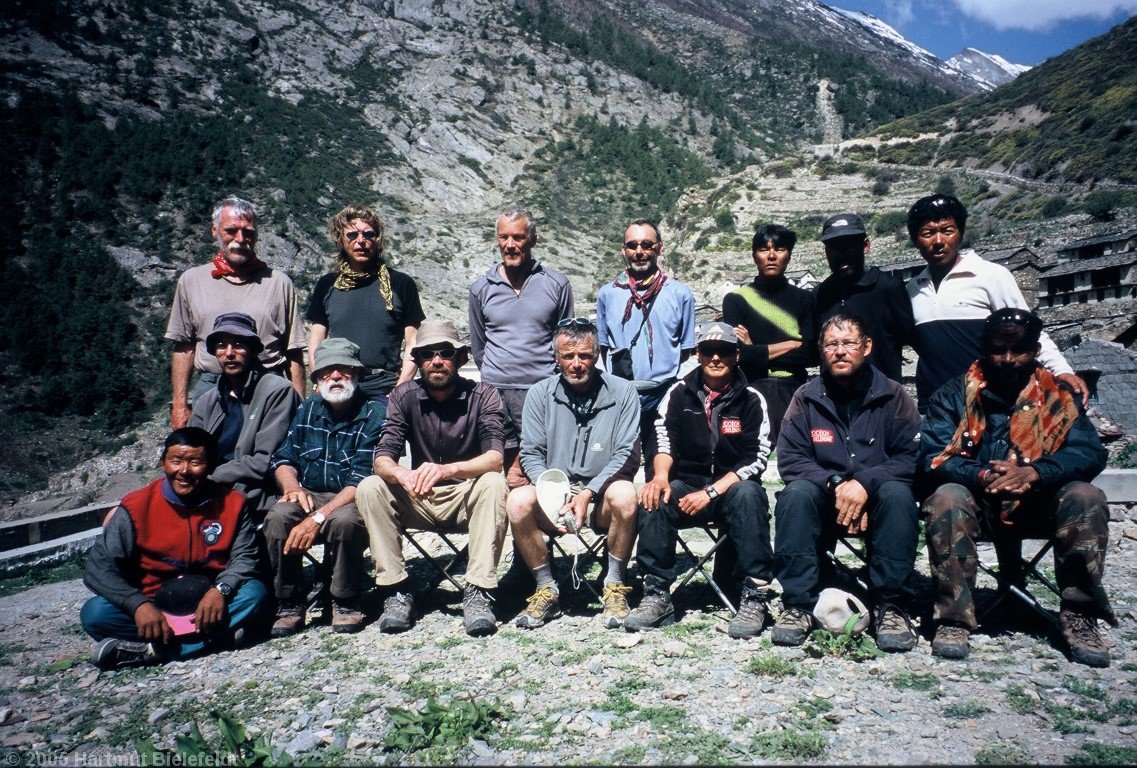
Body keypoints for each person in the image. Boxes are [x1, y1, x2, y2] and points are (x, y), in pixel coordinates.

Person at [919, 308, 1115, 666]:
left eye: (1020, 349)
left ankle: (1080, 615)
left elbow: (1088, 451)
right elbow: (932, 456)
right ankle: (953, 617)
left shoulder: (1060, 397)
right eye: (997, 349)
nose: (1008, 359)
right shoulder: (952, 396)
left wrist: (1036, 473)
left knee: (1086, 496)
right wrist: (981, 475)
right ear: (982, 349)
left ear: (1036, 350)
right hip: (979, 506)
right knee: (946, 498)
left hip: (1039, 505)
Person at [772, 312, 921, 652]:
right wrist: (838, 484)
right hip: (825, 497)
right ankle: (798, 604)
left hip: (878, 497)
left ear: (866, 347)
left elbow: (910, 457)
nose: (840, 351)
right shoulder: (805, 397)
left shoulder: (894, 395)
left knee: (898, 493)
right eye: (831, 344)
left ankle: (890, 603)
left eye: (849, 343)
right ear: (821, 351)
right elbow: (792, 460)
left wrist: (865, 485)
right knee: (795, 494)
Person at [356, 320, 508, 637]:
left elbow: (495, 458)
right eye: (427, 354)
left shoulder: (485, 395)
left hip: (465, 496)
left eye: (445, 353)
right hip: (419, 497)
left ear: (461, 358)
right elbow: (383, 456)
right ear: (419, 362)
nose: (436, 361)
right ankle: (396, 590)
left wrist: (448, 469)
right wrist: (400, 473)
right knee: (371, 487)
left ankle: (478, 592)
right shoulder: (402, 396)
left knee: (494, 484)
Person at [626, 322, 775, 639]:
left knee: (750, 494)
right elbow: (664, 442)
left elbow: (757, 457)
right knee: (654, 497)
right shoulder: (678, 393)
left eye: (723, 352)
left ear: (736, 355)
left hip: (730, 489)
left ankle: (755, 595)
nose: (716, 358)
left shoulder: (751, 399)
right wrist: (660, 477)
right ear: (698, 354)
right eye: (708, 351)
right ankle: (656, 593)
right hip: (687, 485)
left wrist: (711, 492)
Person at [80, 428, 270, 669]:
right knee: (95, 613)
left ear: (211, 466)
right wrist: (137, 604)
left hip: (210, 603)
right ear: (163, 463)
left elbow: (245, 557)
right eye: (176, 461)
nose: (184, 471)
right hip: (153, 604)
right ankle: (215, 640)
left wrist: (221, 590)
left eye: (195, 462)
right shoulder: (136, 506)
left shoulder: (233, 503)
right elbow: (98, 568)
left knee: (254, 594)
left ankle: (152, 651)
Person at [506, 318, 640, 629]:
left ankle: (615, 586)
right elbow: (531, 452)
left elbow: (626, 455)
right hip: (555, 494)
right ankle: (546, 588)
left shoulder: (624, 393)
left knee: (626, 494)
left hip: (600, 495)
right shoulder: (539, 394)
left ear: (598, 356)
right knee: (517, 501)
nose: (576, 364)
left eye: (585, 356)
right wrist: (553, 494)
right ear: (556, 358)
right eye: (568, 356)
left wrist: (588, 492)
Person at [904, 194, 1088, 411]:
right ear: (916, 240)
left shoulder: (991, 275)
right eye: (928, 233)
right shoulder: (912, 289)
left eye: (947, 231)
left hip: (988, 401)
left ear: (960, 234)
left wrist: (1061, 370)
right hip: (936, 407)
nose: (938, 241)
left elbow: (1029, 331)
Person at [264, 339, 382, 636]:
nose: (335, 377)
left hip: (351, 497)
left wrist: (317, 518)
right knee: (278, 517)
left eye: (343, 369)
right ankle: (289, 600)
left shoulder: (374, 414)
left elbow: (362, 478)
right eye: (327, 371)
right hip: (310, 493)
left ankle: (345, 599)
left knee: (344, 522)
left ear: (357, 374)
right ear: (317, 380)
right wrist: (291, 487)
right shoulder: (307, 410)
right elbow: (283, 457)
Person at [166, 196, 306, 428]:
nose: (240, 239)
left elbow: (292, 351)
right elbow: (184, 347)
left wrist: (299, 408)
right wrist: (180, 405)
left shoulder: (279, 283)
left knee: (266, 458)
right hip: (212, 387)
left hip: (267, 387)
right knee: (206, 459)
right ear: (215, 230)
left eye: (248, 232)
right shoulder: (192, 281)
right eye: (231, 231)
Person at [468, 206, 574, 488]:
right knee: (504, 470)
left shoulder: (557, 284)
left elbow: (566, 340)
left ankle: (540, 525)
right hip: (495, 391)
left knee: (537, 465)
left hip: (541, 391)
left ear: (532, 240)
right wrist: (495, 375)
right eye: (504, 237)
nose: (510, 245)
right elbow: (479, 346)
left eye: (517, 237)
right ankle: (506, 525)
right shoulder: (480, 288)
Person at [595, 219, 696, 477]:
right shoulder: (608, 294)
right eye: (632, 245)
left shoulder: (680, 294)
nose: (639, 251)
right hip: (620, 396)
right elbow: (604, 347)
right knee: (617, 470)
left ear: (659, 248)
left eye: (646, 244)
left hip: (664, 396)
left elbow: (685, 349)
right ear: (623, 250)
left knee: (661, 471)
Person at [306, 205, 425, 411]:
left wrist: (401, 387)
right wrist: (319, 380)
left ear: (377, 240)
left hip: (384, 389)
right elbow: (316, 339)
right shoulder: (327, 285)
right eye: (352, 234)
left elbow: (413, 341)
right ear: (341, 240)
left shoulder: (401, 284)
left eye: (368, 234)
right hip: (337, 386)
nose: (361, 241)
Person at [188, 312, 302, 515]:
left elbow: (266, 460)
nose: (229, 353)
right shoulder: (207, 399)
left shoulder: (277, 391)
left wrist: (212, 476)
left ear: (253, 349)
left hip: (256, 493)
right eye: (222, 345)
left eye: (238, 345)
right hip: (208, 488)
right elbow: (190, 450)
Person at [723, 223, 817, 445]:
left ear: (789, 255)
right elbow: (738, 355)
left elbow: (812, 354)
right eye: (764, 249)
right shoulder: (737, 300)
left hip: (795, 389)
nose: (772, 256)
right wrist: (792, 344)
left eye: (780, 249)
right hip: (752, 387)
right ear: (755, 255)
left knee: (795, 451)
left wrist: (756, 348)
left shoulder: (805, 299)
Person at [814, 213, 915, 384]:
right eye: (834, 247)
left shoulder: (889, 288)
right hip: (834, 399)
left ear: (866, 246)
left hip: (881, 398)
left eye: (849, 245)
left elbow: (910, 338)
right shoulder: (820, 295)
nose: (842, 254)